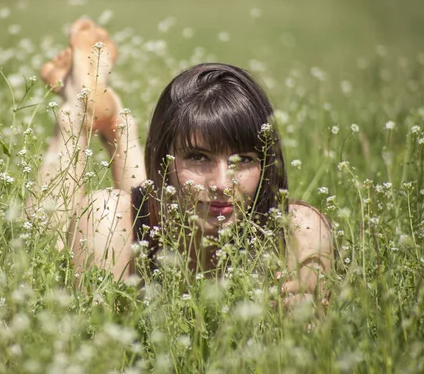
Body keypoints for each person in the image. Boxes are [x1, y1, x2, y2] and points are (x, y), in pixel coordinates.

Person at [26, 18, 332, 307]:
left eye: (244, 160)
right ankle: (77, 115)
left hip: (157, 214)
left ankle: (118, 126)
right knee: (49, 247)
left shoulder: (299, 233)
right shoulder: (106, 220)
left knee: (146, 217)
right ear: (161, 155)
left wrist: (303, 324)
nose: (222, 184)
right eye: (198, 157)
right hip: (135, 217)